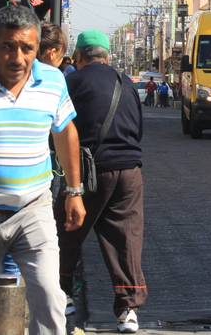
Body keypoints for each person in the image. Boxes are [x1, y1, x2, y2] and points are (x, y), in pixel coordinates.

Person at [0, 5, 85, 335]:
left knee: (50, 299)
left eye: (27, 48)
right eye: (8, 46)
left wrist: (74, 191)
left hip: (34, 210)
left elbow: (64, 132)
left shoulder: (53, 81)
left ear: (38, 48)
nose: (17, 57)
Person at [60, 30, 146, 334]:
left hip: (90, 170)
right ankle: (127, 310)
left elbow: (62, 127)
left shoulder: (72, 81)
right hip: (129, 171)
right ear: (107, 57)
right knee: (125, 237)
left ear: (79, 57)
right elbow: (138, 127)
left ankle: (64, 293)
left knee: (67, 229)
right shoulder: (126, 83)